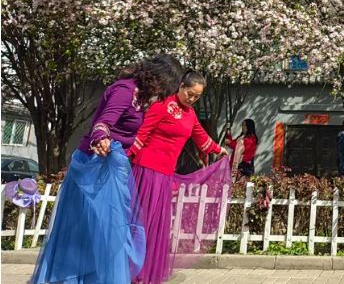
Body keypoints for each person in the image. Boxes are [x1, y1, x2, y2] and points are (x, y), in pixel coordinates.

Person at [31, 55, 183, 284]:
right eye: (165, 86)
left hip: (113, 168)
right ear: (158, 77)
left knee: (108, 234)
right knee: (95, 232)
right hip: (93, 166)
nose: (163, 92)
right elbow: (103, 122)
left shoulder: (141, 98)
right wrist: (101, 137)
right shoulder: (124, 90)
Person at [128, 70, 229, 284]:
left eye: (197, 97)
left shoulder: (190, 114)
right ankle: (129, 271)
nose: (192, 99)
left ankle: (145, 273)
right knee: (142, 223)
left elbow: (201, 138)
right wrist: (124, 157)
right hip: (146, 171)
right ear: (181, 86)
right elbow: (142, 134)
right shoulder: (162, 105)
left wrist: (219, 149)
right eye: (190, 93)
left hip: (165, 175)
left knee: (157, 227)